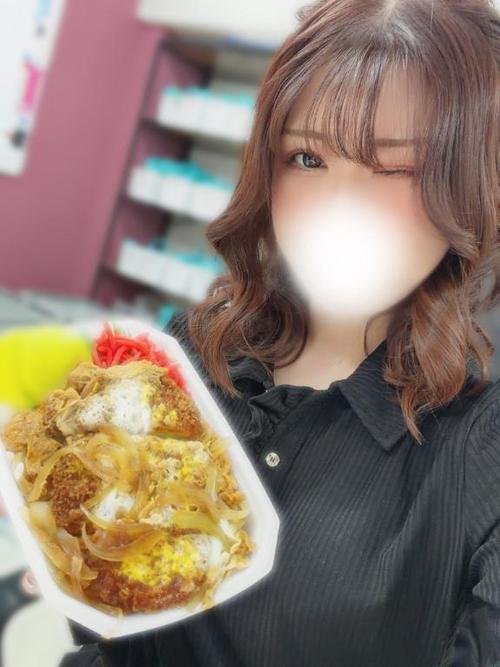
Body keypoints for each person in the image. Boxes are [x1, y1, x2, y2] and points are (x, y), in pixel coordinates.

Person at [58, 0, 500, 664]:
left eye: (397, 168)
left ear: (468, 190)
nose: (338, 210)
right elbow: (111, 626)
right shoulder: (187, 355)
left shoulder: (481, 452)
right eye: (308, 158)